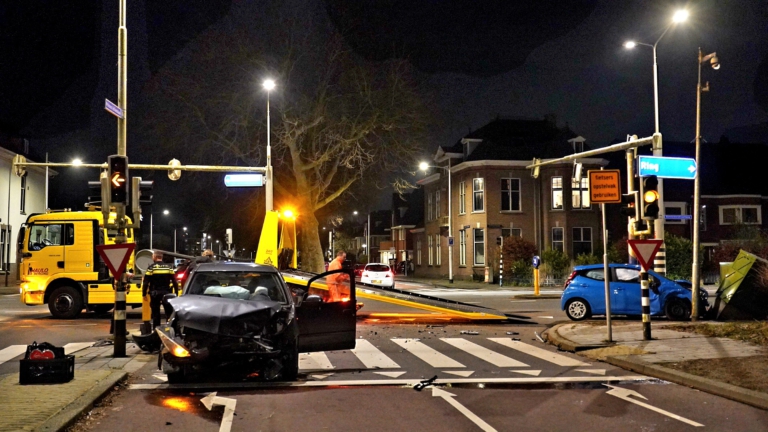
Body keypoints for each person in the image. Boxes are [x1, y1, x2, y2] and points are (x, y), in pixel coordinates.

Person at [142, 251, 179, 329]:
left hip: (155, 293)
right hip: (167, 293)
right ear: (161, 257)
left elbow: (146, 282)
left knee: (156, 314)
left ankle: (156, 330)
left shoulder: (151, 267)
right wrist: (176, 293)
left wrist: (144, 294)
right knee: (168, 313)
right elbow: (175, 281)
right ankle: (170, 329)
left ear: (155, 257)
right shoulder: (168, 267)